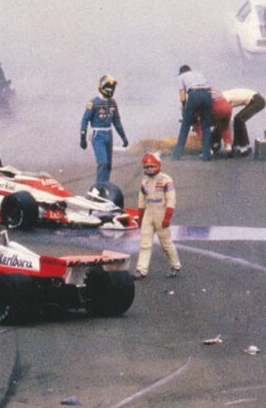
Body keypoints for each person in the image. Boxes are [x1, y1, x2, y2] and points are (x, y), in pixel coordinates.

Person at [134, 152, 181, 280]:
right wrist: (140, 218)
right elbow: (141, 201)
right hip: (148, 215)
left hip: (161, 215)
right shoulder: (144, 182)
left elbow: (171, 199)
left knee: (166, 244)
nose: (149, 169)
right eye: (146, 167)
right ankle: (141, 270)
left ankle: (175, 265)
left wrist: (167, 217)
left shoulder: (166, 180)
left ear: (158, 165)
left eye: (151, 166)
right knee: (144, 244)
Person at [80, 74, 128, 186]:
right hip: (97, 135)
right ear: (102, 86)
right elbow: (85, 120)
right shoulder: (93, 103)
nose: (111, 89)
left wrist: (123, 137)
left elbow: (117, 121)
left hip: (109, 134)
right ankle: (98, 187)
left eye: (112, 87)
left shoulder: (113, 103)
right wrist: (83, 137)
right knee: (103, 162)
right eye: (108, 87)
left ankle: (104, 186)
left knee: (108, 165)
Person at [172, 65, 213, 161]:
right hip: (207, 95)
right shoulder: (199, 74)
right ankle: (206, 155)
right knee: (206, 126)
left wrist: (184, 105)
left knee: (185, 125)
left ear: (181, 72)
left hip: (194, 95)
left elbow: (182, 93)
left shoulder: (181, 77)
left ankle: (177, 154)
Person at [222, 88, 265, 156]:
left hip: (257, 101)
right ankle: (237, 145)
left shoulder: (222, 101)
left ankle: (245, 146)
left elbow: (224, 120)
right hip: (255, 98)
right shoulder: (220, 98)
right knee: (237, 119)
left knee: (239, 119)